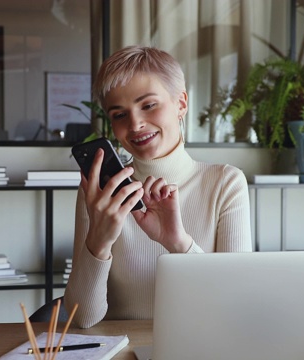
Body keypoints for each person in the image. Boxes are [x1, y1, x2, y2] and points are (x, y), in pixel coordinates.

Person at [64, 45, 252, 328]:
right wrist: (99, 241)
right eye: (119, 114)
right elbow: (82, 318)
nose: (136, 124)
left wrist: (177, 242)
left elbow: (237, 307)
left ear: (181, 104)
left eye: (148, 105)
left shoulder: (225, 184)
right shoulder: (100, 193)